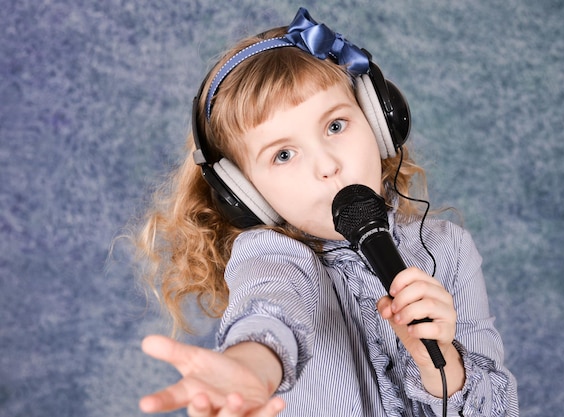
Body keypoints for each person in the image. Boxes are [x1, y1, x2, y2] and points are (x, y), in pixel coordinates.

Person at [134, 7, 518, 417]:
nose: (327, 166)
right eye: (283, 154)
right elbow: (270, 313)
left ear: (379, 123)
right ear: (246, 194)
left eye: (336, 126)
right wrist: (251, 368)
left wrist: (440, 360)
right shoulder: (272, 257)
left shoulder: (448, 249)